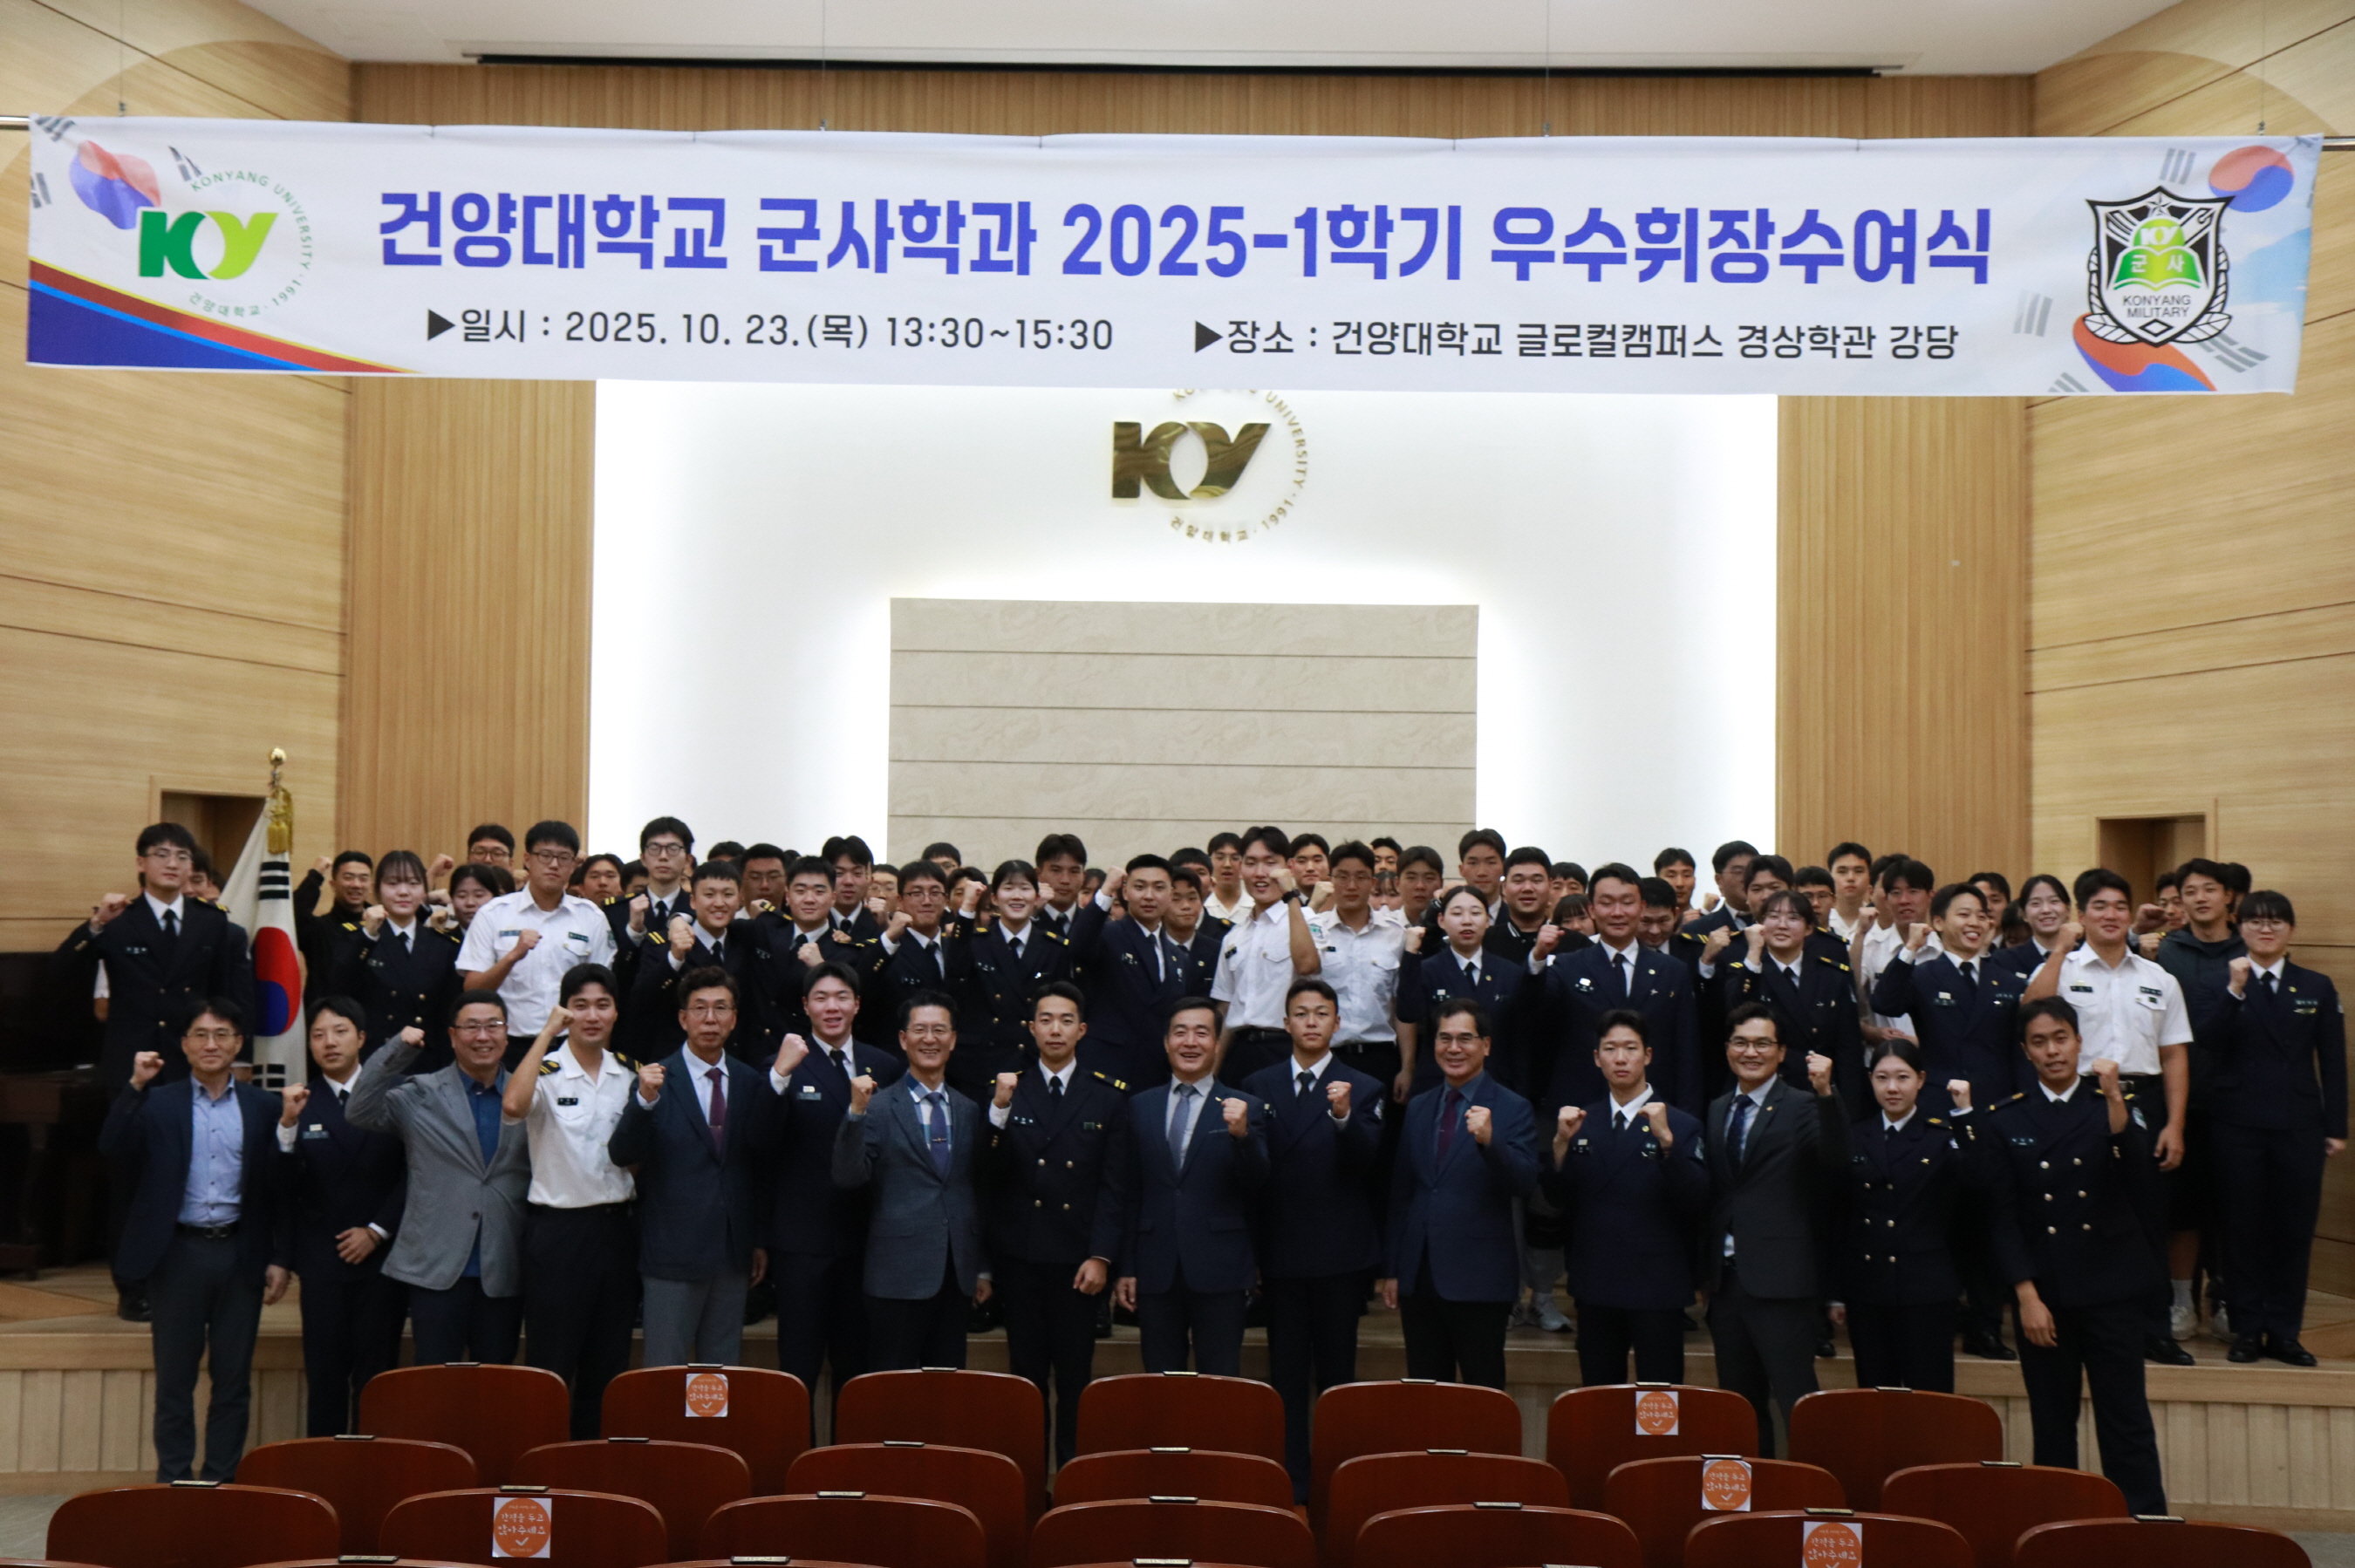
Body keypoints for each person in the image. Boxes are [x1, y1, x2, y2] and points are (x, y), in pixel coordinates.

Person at [57, 821, 257, 1319]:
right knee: (134, 1175)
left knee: (194, 1170)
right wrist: (95, 926)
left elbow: (234, 999)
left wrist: (235, 1054)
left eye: (183, 856)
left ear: (193, 867)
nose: (173, 863)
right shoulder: (118, 923)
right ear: (142, 864)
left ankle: (186, 1276)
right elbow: (62, 973)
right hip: (137, 1072)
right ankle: (132, 1282)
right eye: (162, 854)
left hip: (196, 1068)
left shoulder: (214, 925)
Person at [1974, 998, 2166, 1515]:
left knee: (2126, 1420)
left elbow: (2145, 1192)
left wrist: (2117, 1108)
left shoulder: (2111, 1104)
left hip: (2112, 1289)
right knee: (2053, 1425)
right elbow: (2003, 1218)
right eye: (2040, 1042)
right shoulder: (2004, 1119)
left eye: (2061, 1038)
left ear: (2080, 1042)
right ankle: (2055, 1531)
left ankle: (2145, 1528)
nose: (2053, 1051)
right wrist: (2026, 1295)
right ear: (2026, 1052)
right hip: (2047, 1297)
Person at [101, 999, 289, 1481]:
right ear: (184, 1045)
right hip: (176, 1253)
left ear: (239, 1044)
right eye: (201, 1035)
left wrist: (278, 1257)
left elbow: (281, 1189)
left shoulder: (265, 1106)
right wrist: (135, 1085)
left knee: (232, 1382)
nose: (212, 1044)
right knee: (174, 1383)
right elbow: (112, 1148)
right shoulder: (159, 1101)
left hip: (240, 1254)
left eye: (223, 1034)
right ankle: (174, 1482)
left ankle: (220, 1483)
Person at [2024, 869, 2195, 1365]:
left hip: (2146, 1104)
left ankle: (2154, 1327)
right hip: (2083, 1103)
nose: (2111, 915)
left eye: (2120, 906)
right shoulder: (2067, 969)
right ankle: (2085, 1319)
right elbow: (2032, 1010)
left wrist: (2175, 1124)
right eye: (2099, 906)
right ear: (2082, 915)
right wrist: (2059, 949)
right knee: (2087, 1214)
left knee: (2148, 1216)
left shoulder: (2158, 978)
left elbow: (2175, 1055)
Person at [1242, 978, 1386, 1500]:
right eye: (1300, 1013)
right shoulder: (1259, 1084)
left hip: (1340, 1254)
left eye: (1320, 1013)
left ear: (1337, 1023)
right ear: (1285, 1024)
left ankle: (1332, 1481)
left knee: (1336, 1378)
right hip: (1281, 1252)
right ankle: (1290, 1482)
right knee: (1284, 1377)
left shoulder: (1362, 1086)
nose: (1310, 1022)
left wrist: (1344, 1116)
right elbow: (1252, 1175)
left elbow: (1368, 1163)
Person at [984, 982, 1130, 1463]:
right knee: (1024, 1378)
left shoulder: (1106, 1096)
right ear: (1030, 1028)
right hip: (1021, 1257)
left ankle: (1071, 1479)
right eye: (1045, 1019)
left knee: (1074, 1379)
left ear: (1082, 1030)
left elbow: (1113, 1187)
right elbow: (989, 1175)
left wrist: (1102, 1255)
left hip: (1076, 1261)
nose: (1055, 1029)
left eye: (1066, 1020)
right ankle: (1024, 1482)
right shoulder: (1008, 1089)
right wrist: (999, 1112)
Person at [2199, 892, 2346, 1366]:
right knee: (2242, 1230)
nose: (2266, 929)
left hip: (2298, 1124)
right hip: (2236, 1126)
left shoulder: (2316, 985)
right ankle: (2247, 1330)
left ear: (2291, 931)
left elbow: (2335, 1062)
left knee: (2293, 1229)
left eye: (2277, 922)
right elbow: (2208, 1043)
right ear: (2239, 927)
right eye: (2257, 922)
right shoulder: (2222, 980)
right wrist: (2234, 991)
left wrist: (2336, 1125)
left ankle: (2285, 1332)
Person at [347, 994, 532, 1364]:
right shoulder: (422, 1092)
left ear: (507, 1034)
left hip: (505, 1267)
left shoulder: (528, 1095)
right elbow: (360, 1109)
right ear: (452, 1035)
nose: (483, 1036)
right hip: (436, 1269)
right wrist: (399, 1047)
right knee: (434, 1391)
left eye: (493, 1026)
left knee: (497, 1391)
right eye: (471, 1027)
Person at [1703, 1003, 1850, 1456]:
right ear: (1727, 1048)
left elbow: (1837, 1158)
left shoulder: (1804, 1105)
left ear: (1782, 1051)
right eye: (1741, 1042)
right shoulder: (1717, 1108)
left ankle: (1815, 1502)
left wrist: (1827, 1094)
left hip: (1783, 1283)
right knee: (1741, 1409)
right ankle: (1753, 1509)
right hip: (1727, 1283)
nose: (1751, 1052)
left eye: (1763, 1043)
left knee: (1797, 1404)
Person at [609, 967, 773, 1366]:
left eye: (721, 1009)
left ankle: (712, 1434)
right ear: (683, 1018)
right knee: (665, 1369)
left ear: (734, 1018)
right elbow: (621, 1153)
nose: (710, 1019)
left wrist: (758, 1239)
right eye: (699, 1009)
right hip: (672, 1252)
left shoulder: (751, 1082)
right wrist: (644, 1102)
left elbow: (758, 1167)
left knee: (721, 1374)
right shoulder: (655, 1079)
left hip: (732, 1254)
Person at [502, 965, 638, 1437]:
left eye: (602, 1005)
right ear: (565, 1012)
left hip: (616, 1230)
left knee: (608, 1363)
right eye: (580, 1006)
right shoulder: (547, 1070)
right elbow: (513, 1107)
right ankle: (545, 1468)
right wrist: (545, 1034)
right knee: (552, 1364)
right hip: (559, 1233)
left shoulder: (628, 1074)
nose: (592, 1015)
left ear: (616, 1012)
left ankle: (591, 1473)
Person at [765, 963, 904, 1423]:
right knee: (798, 1369)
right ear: (805, 1006)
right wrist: (779, 1079)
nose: (832, 1007)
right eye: (821, 997)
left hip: (865, 1240)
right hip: (802, 1242)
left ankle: (851, 1470)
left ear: (857, 1005)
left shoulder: (883, 1065)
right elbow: (758, 1143)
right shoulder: (784, 1063)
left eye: (841, 996)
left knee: (857, 1369)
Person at [1539, 1010, 1706, 1387]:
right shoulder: (1582, 1120)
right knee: (1600, 1400)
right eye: (1610, 1049)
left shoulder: (1681, 1124)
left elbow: (1695, 1198)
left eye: (1630, 1048)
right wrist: (1560, 1146)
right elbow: (1555, 1198)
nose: (1620, 1058)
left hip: (1657, 1287)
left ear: (1647, 1055)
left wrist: (1668, 1144)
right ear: (1596, 1058)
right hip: (1596, 1282)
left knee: (1658, 1408)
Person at [1380, 998, 1538, 1387]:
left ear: (1486, 1045)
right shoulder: (1418, 1106)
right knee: (1425, 1394)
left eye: (1465, 1039)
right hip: (1420, 1275)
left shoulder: (1512, 1107)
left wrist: (1491, 1142)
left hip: (1480, 1277)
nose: (1453, 1048)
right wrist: (1394, 1269)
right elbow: (1403, 1191)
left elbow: (1524, 1183)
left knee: (1482, 1396)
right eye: (1444, 1038)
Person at [833, 992, 990, 1369]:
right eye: (920, 1030)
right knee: (893, 1390)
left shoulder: (969, 1110)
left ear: (953, 1039)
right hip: (896, 1275)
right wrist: (854, 1113)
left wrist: (981, 1267)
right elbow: (847, 1175)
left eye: (940, 1030)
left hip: (955, 1275)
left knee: (947, 1390)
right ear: (904, 1039)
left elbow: (976, 1190)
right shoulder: (878, 1106)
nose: (930, 1039)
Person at [1114, 999, 1270, 1375]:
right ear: (1166, 1041)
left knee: (1219, 1381)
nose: (1190, 1042)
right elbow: (1129, 1191)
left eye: (1202, 1033)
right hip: (1155, 1267)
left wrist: (1243, 1137)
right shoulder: (1140, 1106)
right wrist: (1127, 1266)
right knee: (1160, 1378)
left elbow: (1261, 1185)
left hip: (1221, 1268)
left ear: (1217, 1044)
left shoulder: (1245, 1106)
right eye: (1180, 1032)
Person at [278, 997, 406, 1437]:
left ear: (362, 1038)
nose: (329, 1042)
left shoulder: (396, 1096)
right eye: (318, 1034)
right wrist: (287, 1129)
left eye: (340, 1031)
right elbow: (282, 1187)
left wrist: (376, 1230)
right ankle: (325, 1477)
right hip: (322, 1261)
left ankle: (373, 1472)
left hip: (383, 1259)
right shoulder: (299, 1104)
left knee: (377, 1378)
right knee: (326, 1375)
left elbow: (415, 1174)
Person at [1833, 1040, 1973, 1392]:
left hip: (1927, 1288)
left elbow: (1978, 1187)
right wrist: (1836, 1293)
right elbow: (1840, 1217)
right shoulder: (1855, 1134)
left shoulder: (1942, 1135)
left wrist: (1965, 1115)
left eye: (1902, 1077)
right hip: (1869, 1287)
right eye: (1882, 1078)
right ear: (1870, 1080)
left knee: (1930, 1400)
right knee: (1876, 1401)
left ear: (1921, 1080)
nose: (1892, 1088)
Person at [1526, 862, 1702, 1115]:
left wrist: (1688, 1117)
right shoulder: (1568, 966)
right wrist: (1537, 960)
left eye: (1627, 902)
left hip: (1655, 1109)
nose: (1617, 912)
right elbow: (1533, 1016)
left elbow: (1687, 1054)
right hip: (1581, 1109)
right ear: (1592, 909)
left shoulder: (1672, 971)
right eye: (1607, 903)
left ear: (1641, 907)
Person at [457, 821, 618, 1067]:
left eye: (564, 857)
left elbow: (603, 994)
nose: (554, 865)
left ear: (574, 865)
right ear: (527, 860)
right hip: (509, 1046)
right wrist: (512, 956)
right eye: (545, 855)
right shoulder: (494, 913)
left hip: (571, 1044)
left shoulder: (591, 917)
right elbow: (473, 989)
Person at [1717, 890, 1864, 1115]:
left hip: (1816, 1090)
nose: (1782, 925)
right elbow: (1734, 1014)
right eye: (1773, 917)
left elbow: (1849, 1048)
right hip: (1763, 1092)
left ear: (1809, 929)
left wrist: (1852, 1111)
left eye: (1793, 918)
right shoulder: (1749, 971)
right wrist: (1754, 952)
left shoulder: (1832, 975)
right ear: (1761, 924)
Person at [626, 860, 773, 1062]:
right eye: (709, 895)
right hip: (676, 1062)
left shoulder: (745, 936)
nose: (719, 903)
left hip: (734, 1060)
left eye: (728, 895)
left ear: (740, 899)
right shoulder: (663, 943)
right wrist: (674, 959)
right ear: (693, 901)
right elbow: (640, 1001)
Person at [1068, 857, 1194, 1090]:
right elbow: (1078, 946)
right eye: (1139, 887)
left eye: (1159, 888)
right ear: (1125, 892)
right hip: (1106, 1071)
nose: (1149, 896)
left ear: (1170, 894)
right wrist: (1106, 891)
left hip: (1155, 1074)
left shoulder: (1177, 955)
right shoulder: (1108, 935)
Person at [948, 860, 1077, 1084]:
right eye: (1008, 888)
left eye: (1025, 888)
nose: (1017, 896)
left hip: (1032, 1063)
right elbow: (953, 973)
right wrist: (967, 907)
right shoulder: (975, 942)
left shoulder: (1054, 948)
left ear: (1037, 897)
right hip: (982, 1066)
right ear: (995, 898)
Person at [332, 850, 463, 1069]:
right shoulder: (357, 937)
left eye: (413, 884)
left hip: (428, 1062)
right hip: (375, 1060)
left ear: (424, 889)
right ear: (377, 890)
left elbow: (448, 1014)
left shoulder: (443, 944)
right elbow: (340, 990)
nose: (403, 892)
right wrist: (369, 936)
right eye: (393, 883)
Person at [1211, 828, 1320, 1085]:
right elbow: (1226, 1008)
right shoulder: (1233, 936)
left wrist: (1291, 895)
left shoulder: (1308, 921)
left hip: (1285, 1050)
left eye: (1270, 863)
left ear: (1289, 867)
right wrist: (1212, 1072)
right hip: (1239, 1052)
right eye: (1250, 863)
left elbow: (1307, 966)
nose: (1260, 873)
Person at [1303, 842, 1410, 1106]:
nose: (1351, 886)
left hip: (1381, 1057)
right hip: (1327, 1057)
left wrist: (1407, 1067)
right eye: (1343, 876)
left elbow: (1401, 1008)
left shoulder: (1395, 936)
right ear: (1330, 880)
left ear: (1372, 882)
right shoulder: (1314, 933)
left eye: (1360, 877)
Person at [1398, 884, 1528, 1099]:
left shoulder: (1510, 972)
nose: (1467, 921)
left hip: (1496, 1084)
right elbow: (1408, 1013)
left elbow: (1519, 1037)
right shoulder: (1428, 969)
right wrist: (1411, 954)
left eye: (1476, 913)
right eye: (1457, 913)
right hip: (1438, 1085)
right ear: (1441, 921)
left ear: (1488, 921)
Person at [297, 852, 374, 1002]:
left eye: (363, 879)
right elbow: (294, 918)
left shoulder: (383, 925)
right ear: (333, 885)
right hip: (327, 1018)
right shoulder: (319, 929)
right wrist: (315, 876)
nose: (356, 885)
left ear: (370, 886)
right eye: (348, 877)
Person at [1993, 874, 2072, 979]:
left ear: (2068, 909)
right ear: (2024, 914)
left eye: (2054, 901)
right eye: (2036, 903)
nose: (2046, 910)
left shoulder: (2082, 954)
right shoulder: (2004, 960)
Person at [1033, 834, 1089, 939]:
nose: (1065, 880)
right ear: (1038, 875)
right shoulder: (1024, 924)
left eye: (1074, 871)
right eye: (1056, 870)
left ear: (1084, 877)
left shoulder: (1097, 926)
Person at [1826, 842, 1874, 941]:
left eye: (1858, 871)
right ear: (1830, 876)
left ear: (1869, 877)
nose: (1851, 878)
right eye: (1842, 872)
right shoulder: (1822, 919)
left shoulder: (1877, 920)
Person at [1204, 832, 1251, 924]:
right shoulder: (1202, 907)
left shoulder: (1255, 907)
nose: (1227, 865)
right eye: (1220, 858)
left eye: (1235, 858)